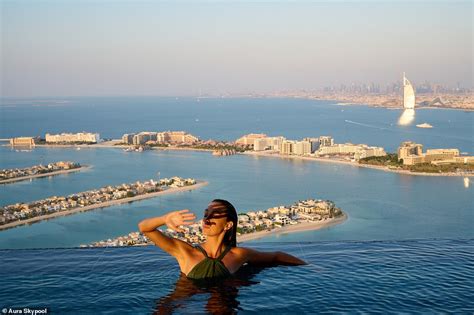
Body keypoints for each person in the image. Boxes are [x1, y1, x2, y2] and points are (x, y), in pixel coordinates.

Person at [138, 199, 307, 280]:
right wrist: (164, 218)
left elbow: (276, 256)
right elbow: (145, 228)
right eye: (206, 214)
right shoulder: (185, 252)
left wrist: (311, 268)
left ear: (227, 225)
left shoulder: (239, 254)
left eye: (214, 215)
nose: (207, 219)